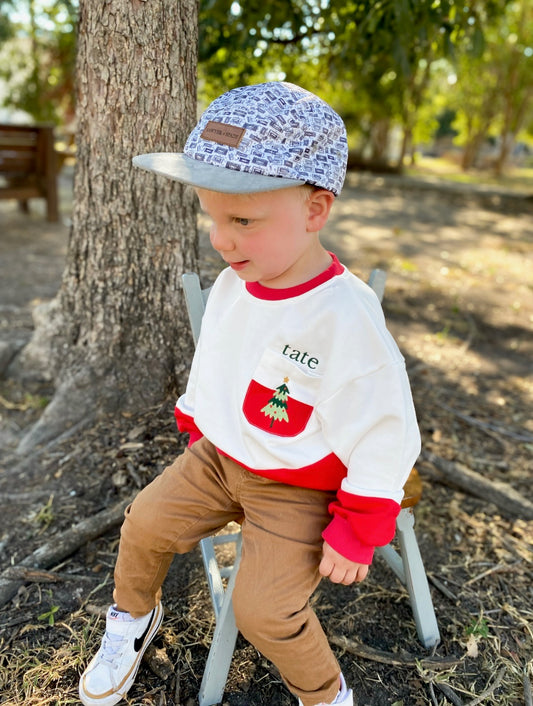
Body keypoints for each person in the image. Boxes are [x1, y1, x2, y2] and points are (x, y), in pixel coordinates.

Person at [79, 81, 421, 706]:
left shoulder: (346, 316)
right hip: (220, 457)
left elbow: (387, 427)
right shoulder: (239, 283)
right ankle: (131, 621)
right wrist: (196, 415)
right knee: (143, 524)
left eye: (242, 220)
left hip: (300, 485)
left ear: (315, 211)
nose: (221, 239)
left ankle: (325, 693)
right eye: (212, 217)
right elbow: (220, 358)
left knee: (264, 609)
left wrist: (361, 523)